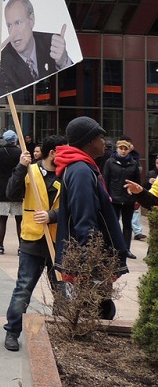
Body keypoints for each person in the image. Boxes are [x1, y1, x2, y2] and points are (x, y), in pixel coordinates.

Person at [54, 116, 129, 319]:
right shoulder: (80, 170)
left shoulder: (83, 167)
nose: (104, 142)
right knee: (92, 313)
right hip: (88, 263)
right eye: (100, 137)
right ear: (89, 141)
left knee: (97, 310)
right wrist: (90, 259)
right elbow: (84, 217)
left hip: (89, 260)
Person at [2, 134, 67, 352]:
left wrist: (53, 215)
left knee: (62, 289)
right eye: (63, 150)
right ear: (53, 153)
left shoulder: (67, 174)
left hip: (58, 241)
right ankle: (12, 331)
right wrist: (20, 167)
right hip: (32, 239)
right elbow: (11, 193)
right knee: (23, 288)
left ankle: (62, 331)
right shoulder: (31, 171)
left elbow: (74, 206)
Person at [0, 0, 72, 96]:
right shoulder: (2, 63)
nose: (13, 33)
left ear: (31, 20)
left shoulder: (53, 44)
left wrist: (63, 62)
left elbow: (71, 83)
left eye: (18, 23)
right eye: (9, 25)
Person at [102, 137, 140, 259]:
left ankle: (126, 249)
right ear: (117, 149)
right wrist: (106, 196)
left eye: (125, 149)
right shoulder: (110, 162)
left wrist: (137, 198)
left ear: (129, 150)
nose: (123, 151)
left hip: (128, 199)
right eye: (121, 148)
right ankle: (114, 248)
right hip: (114, 198)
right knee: (114, 223)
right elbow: (105, 180)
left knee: (127, 225)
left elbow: (137, 182)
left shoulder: (133, 164)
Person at [0, 130, 23, 254]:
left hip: (3, 186)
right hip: (17, 186)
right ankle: (21, 247)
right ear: (15, 139)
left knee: (3, 218)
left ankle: (1, 245)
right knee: (19, 219)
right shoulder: (20, 152)